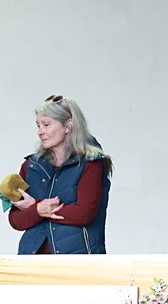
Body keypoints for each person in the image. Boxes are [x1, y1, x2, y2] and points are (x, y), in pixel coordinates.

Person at [8, 95, 111, 254]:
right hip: (31, 264)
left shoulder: (91, 163)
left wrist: (36, 207)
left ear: (68, 125)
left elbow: (84, 213)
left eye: (46, 125)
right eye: (38, 125)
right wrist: (38, 210)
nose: (40, 132)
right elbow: (15, 219)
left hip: (79, 265)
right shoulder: (30, 166)